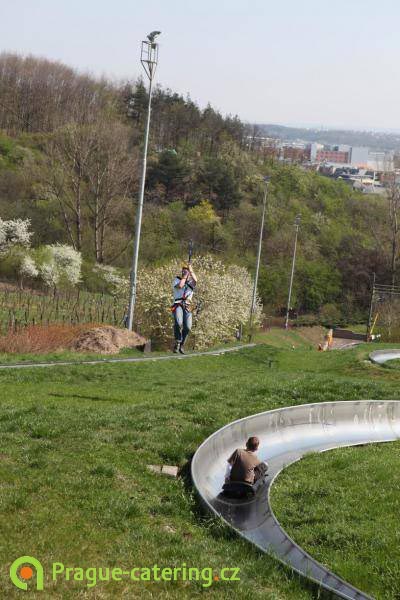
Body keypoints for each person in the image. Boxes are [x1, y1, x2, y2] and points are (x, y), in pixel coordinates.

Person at [171, 262, 197, 354]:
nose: (184, 272)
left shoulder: (191, 282)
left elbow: (195, 280)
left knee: (188, 327)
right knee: (178, 322)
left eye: (186, 270)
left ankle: (182, 344)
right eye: (183, 270)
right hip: (178, 304)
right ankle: (178, 341)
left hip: (187, 305)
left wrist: (191, 270)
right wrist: (185, 276)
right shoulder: (177, 280)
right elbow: (181, 286)